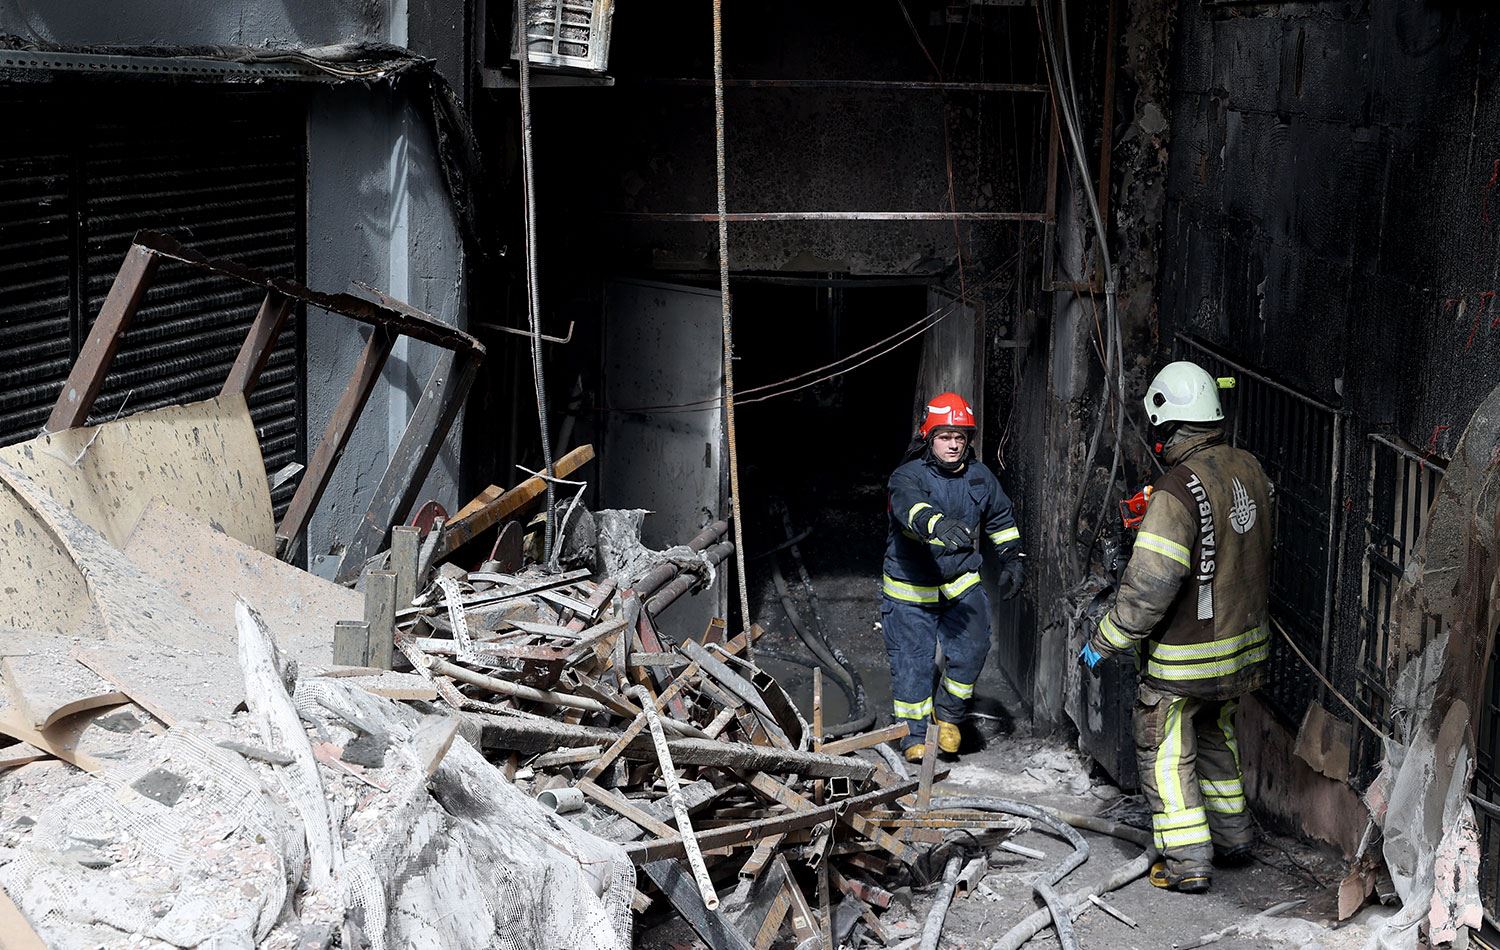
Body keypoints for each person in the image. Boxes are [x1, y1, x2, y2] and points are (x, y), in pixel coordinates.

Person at [1080, 361, 1274, 894]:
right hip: (1242, 650)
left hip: (1185, 656)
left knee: (1164, 752)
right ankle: (1233, 838)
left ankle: (1187, 860)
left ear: (1170, 427)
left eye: (1159, 431)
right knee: (1215, 737)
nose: (1156, 442)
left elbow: (1149, 587)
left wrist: (1104, 642)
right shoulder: (1250, 469)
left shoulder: (1176, 490)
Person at [881, 392, 1024, 762]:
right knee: (912, 663)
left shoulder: (979, 476)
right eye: (945, 436)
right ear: (930, 438)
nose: (954, 444)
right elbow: (909, 507)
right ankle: (913, 735)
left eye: (960, 437)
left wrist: (1012, 557)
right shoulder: (907, 475)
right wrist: (936, 524)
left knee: (973, 649)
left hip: (959, 582)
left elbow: (1000, 518)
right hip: (911, 588)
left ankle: (948, 716)